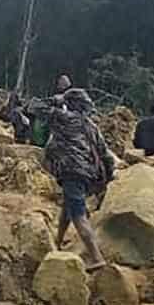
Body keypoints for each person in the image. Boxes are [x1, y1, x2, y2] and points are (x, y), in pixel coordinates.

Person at [45, 88, 112, 269]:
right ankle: (57, 243)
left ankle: (96, 257)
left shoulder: (65, 119)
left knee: (78, 216)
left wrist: (57, 100)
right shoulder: (91, 126)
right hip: (88, 174)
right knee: (67, 209)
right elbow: (106, 155)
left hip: (71, 171)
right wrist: (109, 177)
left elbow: (41, 109)